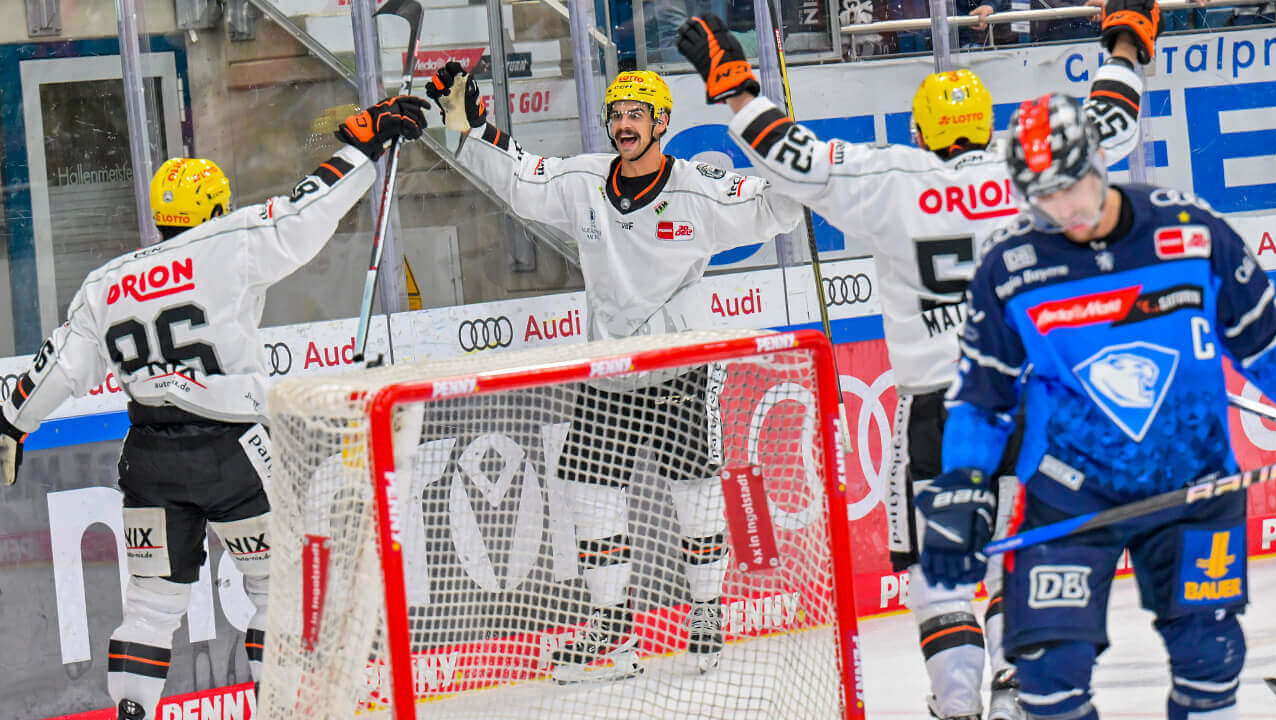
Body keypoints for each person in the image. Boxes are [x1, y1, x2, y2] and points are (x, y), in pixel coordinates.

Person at [676, 2, 1155, 716]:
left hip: (942, 409)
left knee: (940, 578)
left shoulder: (889, 178)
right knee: (1014, 555)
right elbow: (1111, 123)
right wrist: (1123, 41)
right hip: (1038, 400)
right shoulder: (1032, 169)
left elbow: (791, 154)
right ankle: (1026, 684)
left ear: (921, 130)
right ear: (988, 125)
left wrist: (736, 87)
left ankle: (959, 703)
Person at [0, 96, 429, 720]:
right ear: (216, 209)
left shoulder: (106, 282)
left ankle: (133, 713)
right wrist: (361, 150)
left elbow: (56, 368)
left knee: (150, 604)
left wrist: (12, 423)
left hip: (148, 460)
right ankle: (280, 707)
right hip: (233, 453)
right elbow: (303, 214)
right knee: (277, 589)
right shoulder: (228, 244)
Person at [424, 64, 802, 683]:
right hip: (608, 370)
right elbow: (522, 179)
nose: (625, 125)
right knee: (591, 496)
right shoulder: (584, 181)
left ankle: (706, 612)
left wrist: (797, 164)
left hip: (682, 366)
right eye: (617, 114)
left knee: (696, 495)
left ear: (662, 124)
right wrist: (470, 128)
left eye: (638, 116)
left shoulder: (698, 188)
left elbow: (771, 209)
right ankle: (612, 632)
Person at [921, 81, 1273, 719]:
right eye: (1044, 195)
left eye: (1072, 184)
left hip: (1194, 489)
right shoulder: (1011, 267)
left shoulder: (1191, 231)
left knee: (1210, 659)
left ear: (1098, 164)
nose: (1065, 207)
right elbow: (981, 400)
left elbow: (1266, 347)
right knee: (1047, 677)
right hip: (1071, 494)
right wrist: (964, 483)